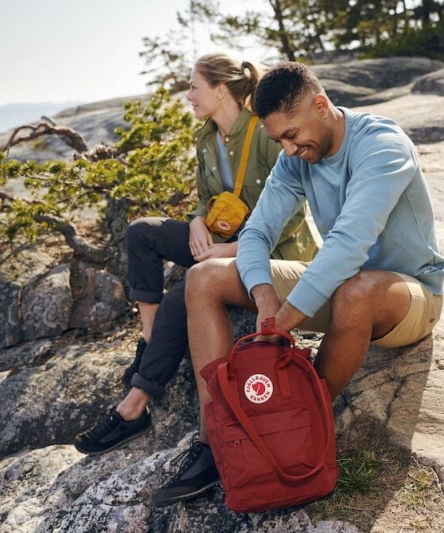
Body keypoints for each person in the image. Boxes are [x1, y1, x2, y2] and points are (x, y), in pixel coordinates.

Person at [151, 61, 444, 507]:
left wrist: (282, 321)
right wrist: (263, 293)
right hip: (338, 288)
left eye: (292, 135)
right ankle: (219, 440)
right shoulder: (295, 158)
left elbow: (349, 243)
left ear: (320, 104)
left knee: (356, 290)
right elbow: (256, 234)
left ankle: (298, 425)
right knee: (204, 277)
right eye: (278, 141)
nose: (288, 150)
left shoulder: (383, 146)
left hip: (408, 297)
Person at [73, 54, 318, 455]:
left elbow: (290, 218)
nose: (187, 96)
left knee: (182, 295)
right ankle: (150, 340)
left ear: (221, 90)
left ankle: (134, 408)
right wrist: (197, 222)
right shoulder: (205, 138)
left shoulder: (263, 134)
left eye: (193, 87)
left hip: (268, 252)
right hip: (219, 242)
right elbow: (206, 198)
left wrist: (231, 249)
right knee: (142, 233)